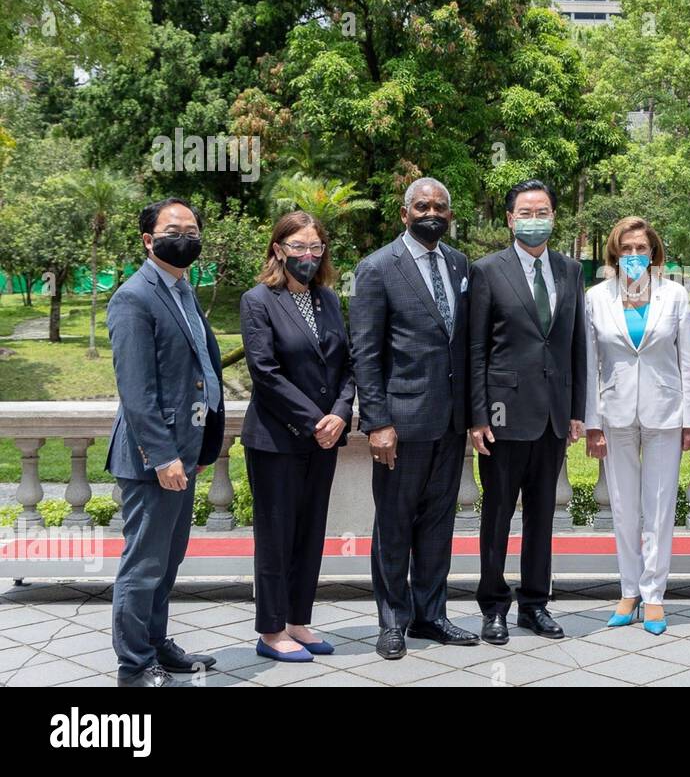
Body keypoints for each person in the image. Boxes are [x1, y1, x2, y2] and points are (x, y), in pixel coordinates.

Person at [350, 177, 480, 659]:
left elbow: (463, 344)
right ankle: (392, 621)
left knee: (438, 525)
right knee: (395, 525)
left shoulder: (459, 264)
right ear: (404, 214)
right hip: (400, 425)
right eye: (422, 206)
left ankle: (432, 616)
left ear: (449, 214)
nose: (432, 213)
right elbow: (365, 352)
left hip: (449, 424)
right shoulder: (378, 268)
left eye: (440, 207)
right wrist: (378, 422)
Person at [106, 197, 224, 687]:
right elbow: (137, 390)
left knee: (169, 559)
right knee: (144, 564)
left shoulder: (182, 290)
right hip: (155, 459)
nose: (187, 237)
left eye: (193, 229)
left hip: (186, 450)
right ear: (148, 240)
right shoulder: (133, 297)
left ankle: (156, 642)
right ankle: (134, 664)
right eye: (175, 229)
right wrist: (163, 456)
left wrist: (198, 443)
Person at [469, 179, 587, 645]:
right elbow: (476, 347)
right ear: (510, 219)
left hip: (553, 416)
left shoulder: (570, 270)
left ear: (554, 217)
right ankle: (494, 605)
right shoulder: (486, 271)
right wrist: (478, 415)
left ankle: (535, 603)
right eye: (526, 211)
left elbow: (575, 343)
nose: (535, 218)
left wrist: (576, 409)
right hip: (502, 414)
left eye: (543, 210)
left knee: (543, 514)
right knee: (497, 513)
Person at [240, 211, 355, 663]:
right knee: (276, 535)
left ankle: (297, 621)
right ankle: (270, 631)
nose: (307, 256)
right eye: (298, 247)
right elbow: (264, 373)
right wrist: (315, 421)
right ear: (278, 249)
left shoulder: (328, 300)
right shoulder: (258, 301)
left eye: (315, 248)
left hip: (324, 438)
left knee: (310, 532)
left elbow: (348, 365)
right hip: (277, 440)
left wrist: (341, 414)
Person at [584, 217, 690, 635]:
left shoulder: (674, 296)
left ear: (654, 252)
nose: (634, 255)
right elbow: (590, 363)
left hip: (665, 413)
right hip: (614, 413)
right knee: (623, 507)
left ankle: (654, 596)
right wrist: (591, 423)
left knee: (659, 507)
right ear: (614, 254)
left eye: (642, 248)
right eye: (626, 249)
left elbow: (688, 360)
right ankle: (628, 590)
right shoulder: (596, 298)